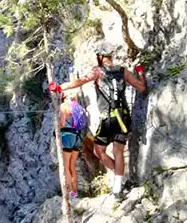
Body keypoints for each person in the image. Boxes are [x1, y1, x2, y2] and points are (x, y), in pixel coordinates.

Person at [49, 42, 147, 195]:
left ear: (100, 57)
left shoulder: (98, 71)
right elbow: (141, 88)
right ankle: (118, 187)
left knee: (98, 151)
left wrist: (60, 87)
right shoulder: (124, 71)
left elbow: (79, 81)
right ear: (110, 56)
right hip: (124, 117)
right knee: (118, 151)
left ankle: (118, 182)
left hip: (108, 119)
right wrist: (140, 73)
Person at [59, 93, 86, 199]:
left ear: (63, 98)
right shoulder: (77, 106)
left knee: (66, 166)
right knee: (72, 166)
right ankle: (75, 192)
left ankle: (71, 192)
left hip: (67, 136)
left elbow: (62, 123)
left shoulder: (63, 106)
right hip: (77, 136)